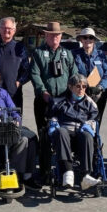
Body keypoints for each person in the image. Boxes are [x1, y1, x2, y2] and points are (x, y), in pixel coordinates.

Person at [30, 21, 78, 177]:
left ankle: (64, 170)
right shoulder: (38, 53)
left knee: (64, 134)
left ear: (61, 36)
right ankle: (44, 171)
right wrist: (43, 91)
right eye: (51, 35)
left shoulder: (67, 54)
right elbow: (35, 74)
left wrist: (73, 91)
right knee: (44, 136)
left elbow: (74, 74)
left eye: (57, 35)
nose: (55, 37)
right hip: (44, 101)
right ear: (46, 35)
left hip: (64, 101)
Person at [47, 74, 101, 190]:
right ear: (70, 87)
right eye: (78, 86)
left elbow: (94, 119)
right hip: (65, 132)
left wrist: (88, 125)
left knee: (87, 136)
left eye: (84, 86)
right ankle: (68, 172)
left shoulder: (90, 103)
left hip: (81, 132)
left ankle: (86, 175)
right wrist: (54, 124)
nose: (81, 89)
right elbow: (52, 117)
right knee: (61, 131)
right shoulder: (59, 101)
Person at [0, 17, 30, 108]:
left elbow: (27, 70)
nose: (6, 30)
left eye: (9, 28)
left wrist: (19, 82)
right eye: (3, 28)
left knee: (14, 120)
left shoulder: (20, 48)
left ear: (14, 30)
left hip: (14, 94)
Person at [72, 27, 107, 125]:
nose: (88, 40)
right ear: (81, 39)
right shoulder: (74, 54)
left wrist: (100, 87)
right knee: (81, 122)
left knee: (96, 122)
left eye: (90, 37)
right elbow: (72, 73)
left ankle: (95, 140)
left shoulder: (101, 55)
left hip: (99, 94)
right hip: (80, 94)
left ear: (94, 40)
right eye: (85, 37)